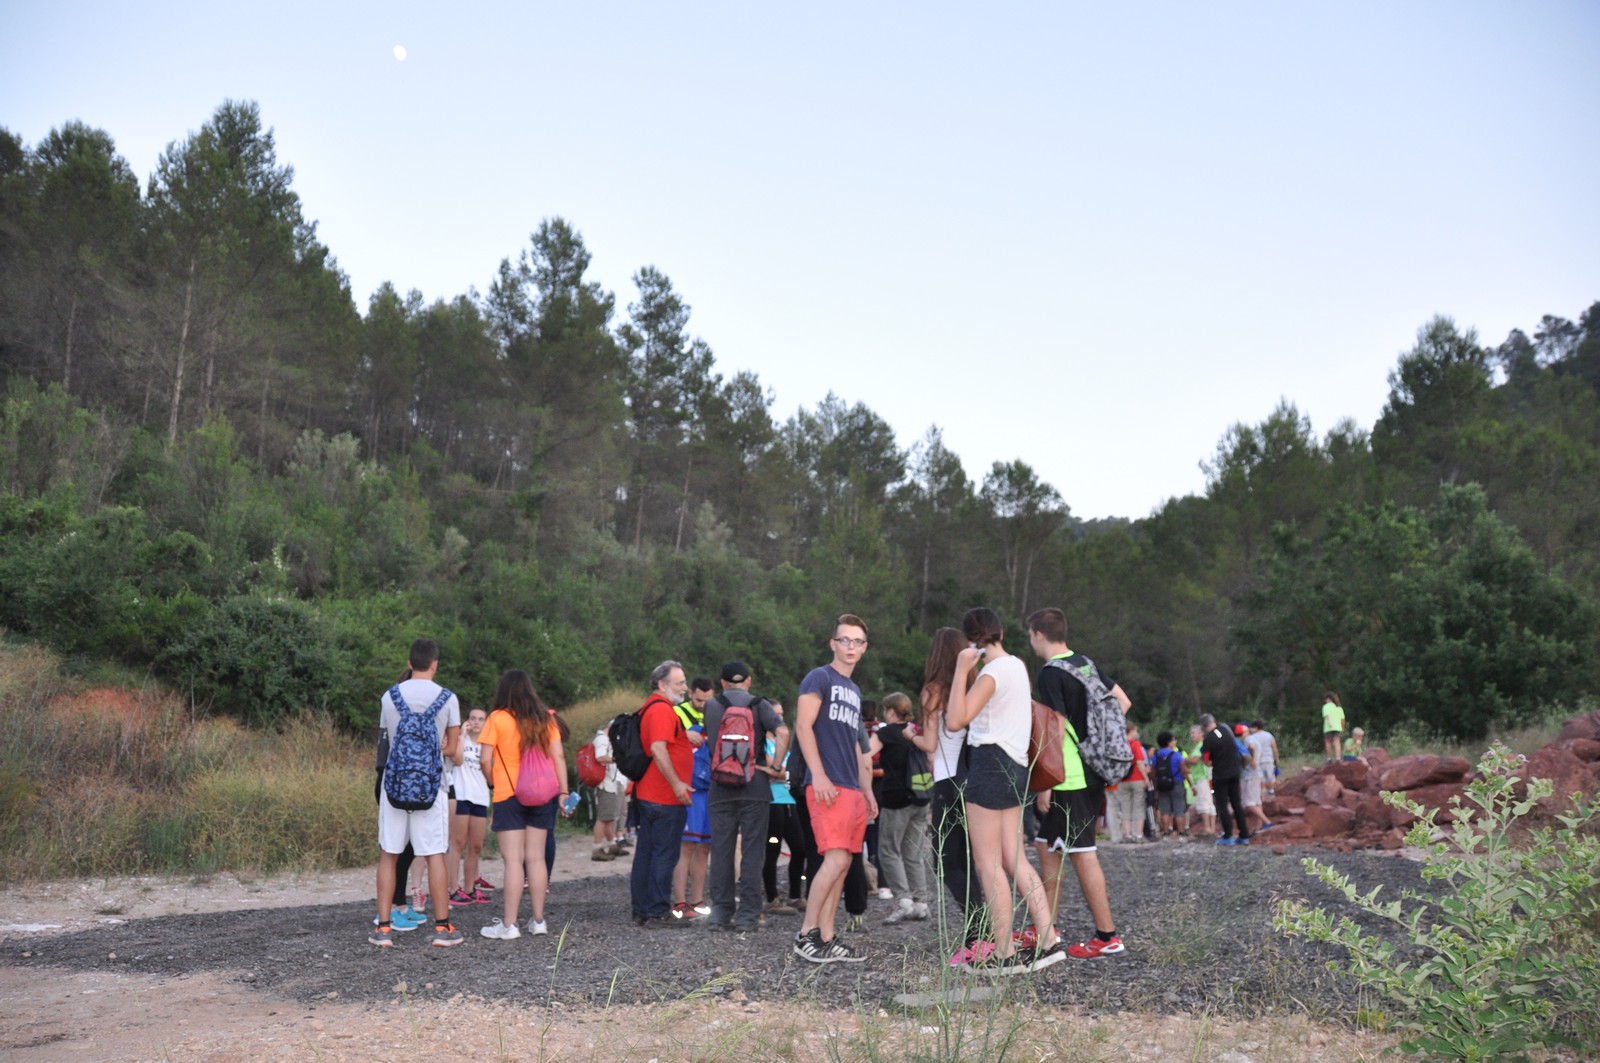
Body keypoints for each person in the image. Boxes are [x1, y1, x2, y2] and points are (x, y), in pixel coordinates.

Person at [945, 607, 1066, 974]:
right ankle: (1048, 939)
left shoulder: (991, 673)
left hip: (990, 764)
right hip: (1016, 765)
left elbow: (955, 721)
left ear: (971, 641)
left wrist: (961, 670)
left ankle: (1004, 951)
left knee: (988, 863)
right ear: (1000, 633)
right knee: (1014, 857)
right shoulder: (1016, 666)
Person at [1026, 606, 1128, 960]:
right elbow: (1123, 702)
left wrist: (1046, 782)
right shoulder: (1085, 663)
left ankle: (1107, 936)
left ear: (1039, 634)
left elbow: (1053, 727)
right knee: (1046, 846)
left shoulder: (1051, 673)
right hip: (1092, 770)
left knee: (1082, 854)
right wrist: (1098, 737)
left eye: (1031, 636)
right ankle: (1046, 926)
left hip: (1069, 778)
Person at [792, 614, 876, 964]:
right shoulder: (819, 677)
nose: (850, 646)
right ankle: (806, 934)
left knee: (844, 863)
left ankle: (827, 936)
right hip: (827, 785)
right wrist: (819, 775)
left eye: (857, 641)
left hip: (851, 787)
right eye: (844, 640)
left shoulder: (854, 690)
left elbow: (856, 745)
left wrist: (867, 790)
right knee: (835, 858)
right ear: (833, 643)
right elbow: (803, 726)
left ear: (864, 647)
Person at [370, 639, 464, 948]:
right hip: (431, 787)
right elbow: (452, 749)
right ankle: (442, 928)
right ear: (435, 664)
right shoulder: (448, 698)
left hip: (395, 785)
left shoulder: (390, 696)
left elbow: (388, 739)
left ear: (410, 663)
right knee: (434, 854)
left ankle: (384, 929)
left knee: (389, 854)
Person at [477, 669, 570, 940]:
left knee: (514, 861)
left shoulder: (497, 718)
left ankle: (510, 925)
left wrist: (493, 781)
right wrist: (563, 791)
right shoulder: (545, 719)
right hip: (542, 793)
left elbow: (485, 759)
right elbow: (559, 757)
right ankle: (538, 921)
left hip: (509, 794)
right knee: (537, 858)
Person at [704, 661, 790, 931]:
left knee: (721, 851)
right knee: (753, 852)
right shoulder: (759, 705)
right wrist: (775, 767)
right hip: (754, 787)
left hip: (720, 788)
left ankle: (720, 913)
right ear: (749, 681)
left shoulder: (712, 706)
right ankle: (748, 916)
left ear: (722, 683)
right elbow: (783, 732)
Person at [922, 627, 987, 964]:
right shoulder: (975, 688)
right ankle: (979, 935)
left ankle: (980, 933)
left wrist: (910, 736)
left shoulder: (934, 691)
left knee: (945, 863)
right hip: (974, 783)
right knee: (968, 861)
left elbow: (930, 744)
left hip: (947, 782)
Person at [631, 660, 694, 928]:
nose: (685, 688)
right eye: (680, 683)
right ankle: (657, 910)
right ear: (661, 684)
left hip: (649, 793)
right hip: (663, 797)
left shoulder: (652, 708)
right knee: (663, 855)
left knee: (647, 853)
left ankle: (643, 909)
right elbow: (658, 748)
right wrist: (677, 783)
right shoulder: (661, 710)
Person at [874, 691, 933, 925]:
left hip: (896, 799)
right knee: (913, 853)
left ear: (890, 711)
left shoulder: (887, 733)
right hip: (921, 797)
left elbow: (866, 752)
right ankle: (921, 904)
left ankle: (904, 902)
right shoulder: (916, 730)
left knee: (889, 850)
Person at [672, 678, 714, 920]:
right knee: (686, 846)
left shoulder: (716, 713)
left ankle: (698, 900)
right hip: (690, 790)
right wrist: (684, 734)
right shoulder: (677, 712)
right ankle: (679, 901)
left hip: (710, 791)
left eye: (707, 700)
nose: (703, 705)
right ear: (690, 694)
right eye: (699, 700)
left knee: (705, 847)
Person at [446, 707, 492, 903]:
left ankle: (470, 888)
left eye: (481, 719)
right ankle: (452, 889)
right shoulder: (460, 740)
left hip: (480, 796)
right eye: (473, 718)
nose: (476, 722)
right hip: (462, 794)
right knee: (457, 843)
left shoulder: (488, 744)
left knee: (476, 846)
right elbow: (457, 760)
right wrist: (462, 735)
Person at [1200, 714, 1250, 846]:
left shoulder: (1208, 740)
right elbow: (1243, 729)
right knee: (1236, 803)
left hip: (1220, 775)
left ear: (1203, 726)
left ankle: (1228, 835)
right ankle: (1244, 835)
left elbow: (1206, 761)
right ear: (1214, 721)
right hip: (1235, 771)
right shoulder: (1227, 728)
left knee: (1222, 805)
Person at [591, 723, 629, 860]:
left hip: (609, 783)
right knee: (603, 818)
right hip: (606, 784)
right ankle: (597, 848)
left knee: (609, 818)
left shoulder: (604, 739)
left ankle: (612, 844)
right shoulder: (602, 739)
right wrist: (617, 759)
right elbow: (600, 757)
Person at [1106, 723, 1149, 844]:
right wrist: (1146, 778)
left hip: (1122, 780)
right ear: (1131, 731)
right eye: (1135, 730)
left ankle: (1127, 835)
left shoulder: (1118, 744)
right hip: (1137, 778)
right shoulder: (1135, 744)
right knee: (1138, 806)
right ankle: (1138, 835)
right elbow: (1140, 762)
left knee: (1125, 808)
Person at [1150, 731, 1188, 839]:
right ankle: (1181, 833)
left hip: (1162, 784)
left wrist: (1156, 783)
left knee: (1165, 810)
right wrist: (1191, 784)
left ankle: (1166, 833)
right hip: (1176, 783)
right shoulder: (1176, 755)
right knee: (1179, 809)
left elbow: (1152, 772)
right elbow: (1184, 770)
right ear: (1169, 742)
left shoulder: (1155, 756)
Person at [1184, 723, 1217, 838]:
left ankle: (1207, 827)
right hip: (1205, 777)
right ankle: (1212, 828)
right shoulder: (1201, 745)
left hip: (1201, 777)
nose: (1192, 735)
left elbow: (1195, 760)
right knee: (1209, 802)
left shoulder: (1200, 746)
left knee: (1204, 802)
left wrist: (1185, 760)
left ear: (1201, 734)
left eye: (1193, 733)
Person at [1249, 720, 1281, 799]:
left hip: (1258, 760)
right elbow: (1274, 747)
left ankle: (1262, 795)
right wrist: (1276, 757)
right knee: (1270, 777)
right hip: (1269, 759)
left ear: (1256, 727)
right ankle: (1271, 792)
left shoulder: (1253, 737)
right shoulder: (1269, 735)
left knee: (1261, 779)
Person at [1322, 692, 1346, 761]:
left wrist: (1330, 723)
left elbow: (1327, 715)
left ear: (1328, 699)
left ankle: (1329, 758)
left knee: (1328, 742)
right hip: (1337, 727)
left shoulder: (1326, 706)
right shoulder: (1339, 708)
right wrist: (1342, 728)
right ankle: (1338, 757)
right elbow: (1343, 720)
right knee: (1337, 742)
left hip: (1328, 728)